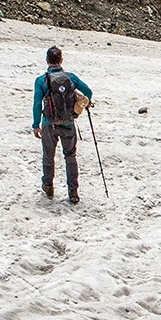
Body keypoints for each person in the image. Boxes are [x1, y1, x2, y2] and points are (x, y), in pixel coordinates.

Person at [31, 46, 92, 203]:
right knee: (70, 156)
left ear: (47, 61)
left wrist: (36, 124)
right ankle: (73, 191)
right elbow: (88, 92)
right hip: (68, 123)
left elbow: (37, 103)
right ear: (61, 60)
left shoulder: (41, 80)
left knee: (48, 156)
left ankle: (48, 186)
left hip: (48, 124)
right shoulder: (71, 78)